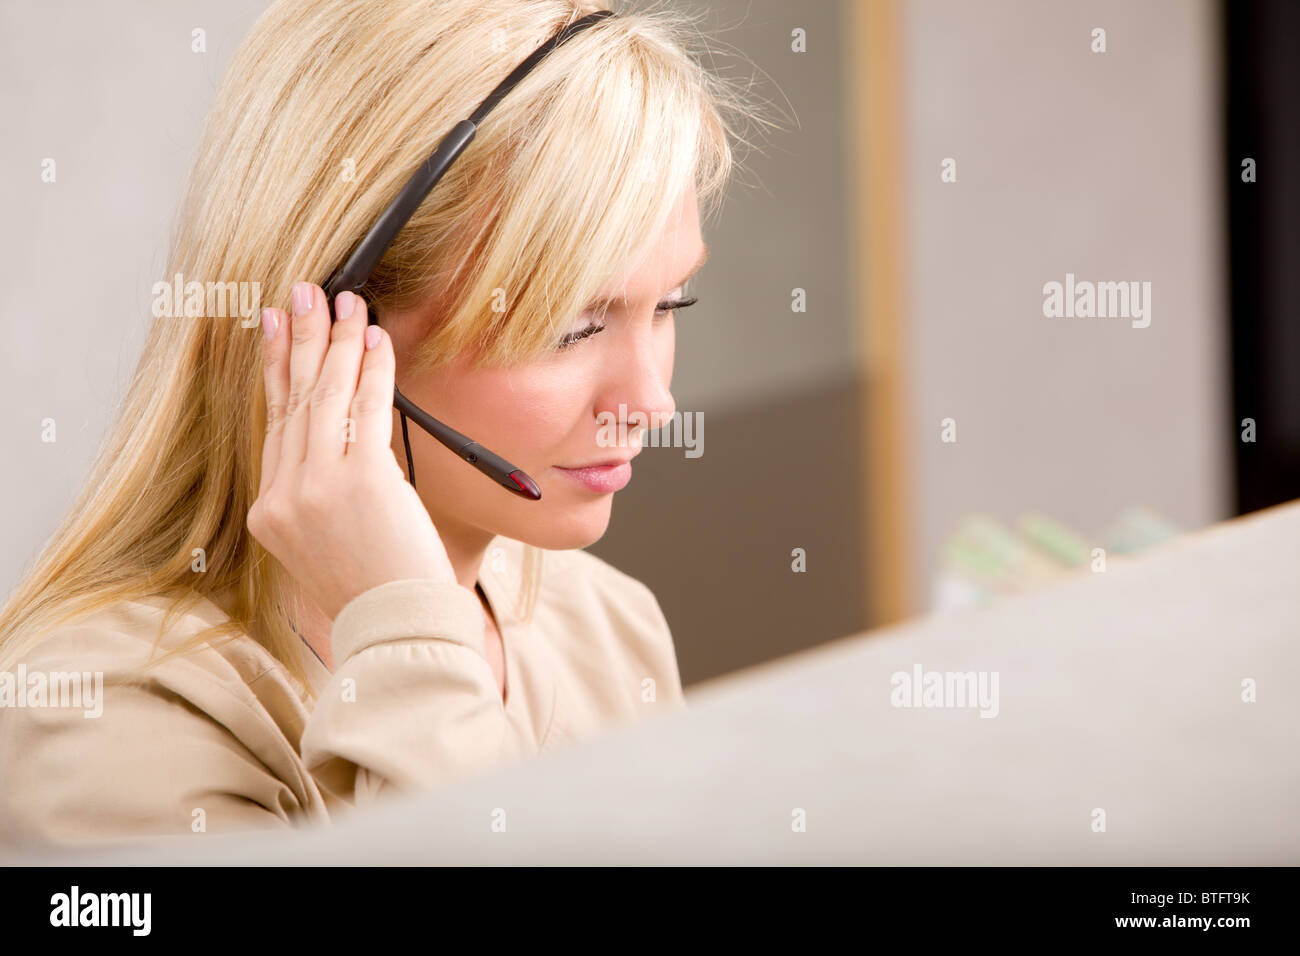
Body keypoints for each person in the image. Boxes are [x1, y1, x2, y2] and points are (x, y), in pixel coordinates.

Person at [0, 0, 759, 848]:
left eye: (670, 303)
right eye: (571, 328)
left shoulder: (604, 628)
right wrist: (408, 633)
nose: (653, 404)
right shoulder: (107, 727)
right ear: (338, 328)